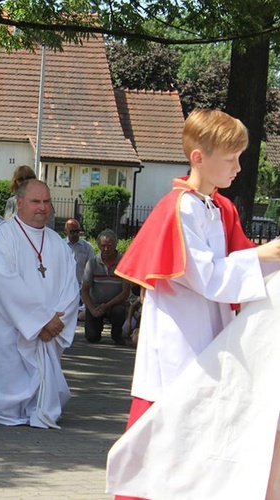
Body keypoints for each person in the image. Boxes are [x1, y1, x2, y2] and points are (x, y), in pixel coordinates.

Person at [106, 109, 280, 498]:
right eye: (231, 158)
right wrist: (264, 256)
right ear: (198, 157)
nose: (238, 167)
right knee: (172, 426)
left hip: (208, 331)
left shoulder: (217, 207)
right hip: (178, 336)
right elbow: (208, 277)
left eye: (240, 157)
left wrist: (270, 261)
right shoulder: (180, 207)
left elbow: (241, 264)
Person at [0, 179, 79, 428]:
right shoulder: (2, 239)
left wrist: (58, 320)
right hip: (9, 331)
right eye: (36, 201)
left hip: (47, 334)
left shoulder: (57, 242)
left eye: (47, 201)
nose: (42, 207)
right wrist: (42, 321)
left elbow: (71, 285)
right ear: (20, 203)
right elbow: (2, 282)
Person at [81, 229, 131, 346]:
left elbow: (125, 292)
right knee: (92, 338)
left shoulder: (123, 262)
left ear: (115, 245)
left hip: (115, 305)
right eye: (103, 246)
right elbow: (84, 291)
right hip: (96, 305)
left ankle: (117, 334)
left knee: (119, 311)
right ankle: (96, 325)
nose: (106, 249)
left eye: (109, 245)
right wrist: (92, 309)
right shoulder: (92, 263)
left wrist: (107, 306)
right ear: (98, 245)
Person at [63, 218, 94, 288]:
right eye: (72, 232)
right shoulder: (60, 246)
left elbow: (91, 268)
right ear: (65, 231)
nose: (75, 234)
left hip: (81, 287)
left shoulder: (87, 247)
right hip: (64, 287)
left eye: (77, 231)